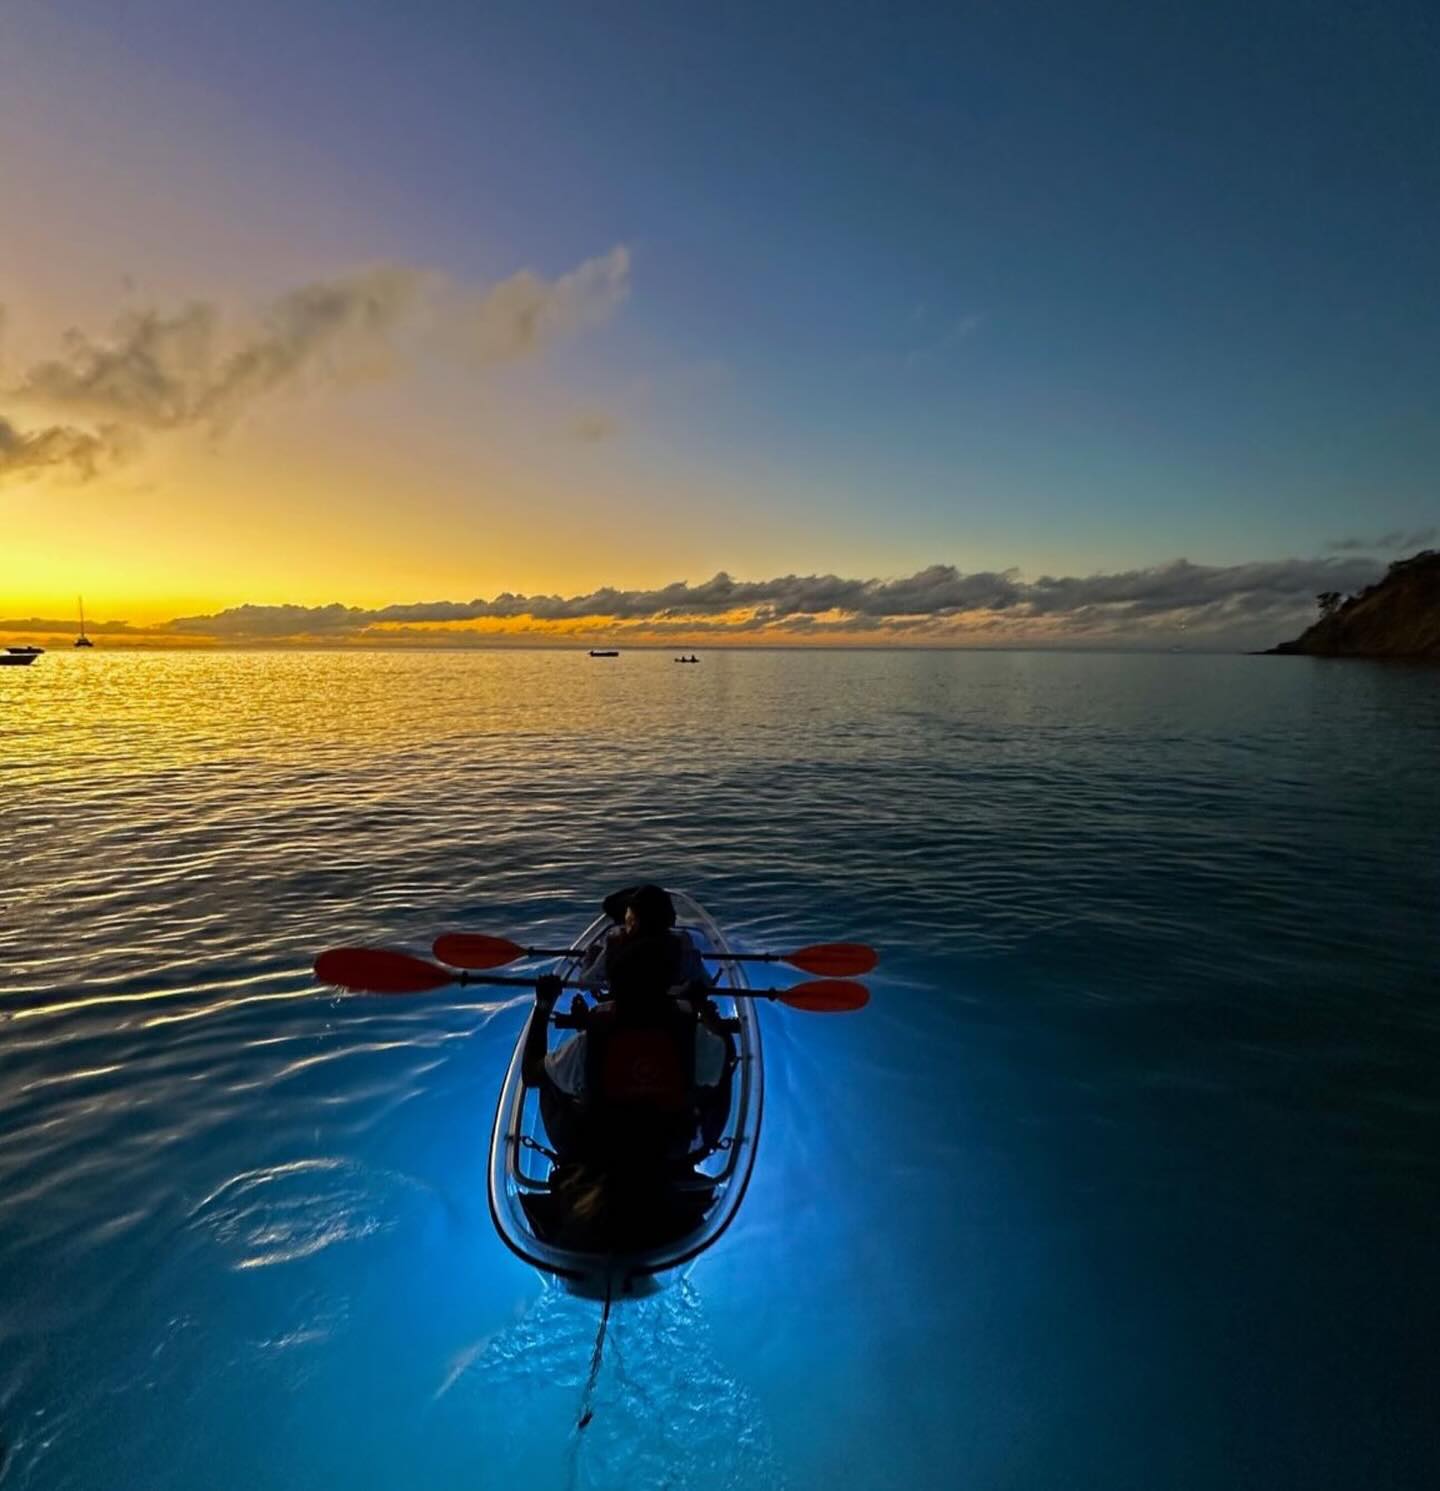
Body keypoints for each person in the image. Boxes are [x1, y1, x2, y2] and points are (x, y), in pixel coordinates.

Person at [521, 885, 730, 1159]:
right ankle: (699, 1146)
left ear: (614, 986)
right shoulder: (692, 1036)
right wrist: (704, 1010)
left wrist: (543, 1007)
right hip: (670, 1149)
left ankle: (573, 1157)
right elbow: (727, 1052)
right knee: (722, 1068)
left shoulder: (589, 1043)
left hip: (606, 1147)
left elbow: (530, 1075)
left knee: (548, 1077)